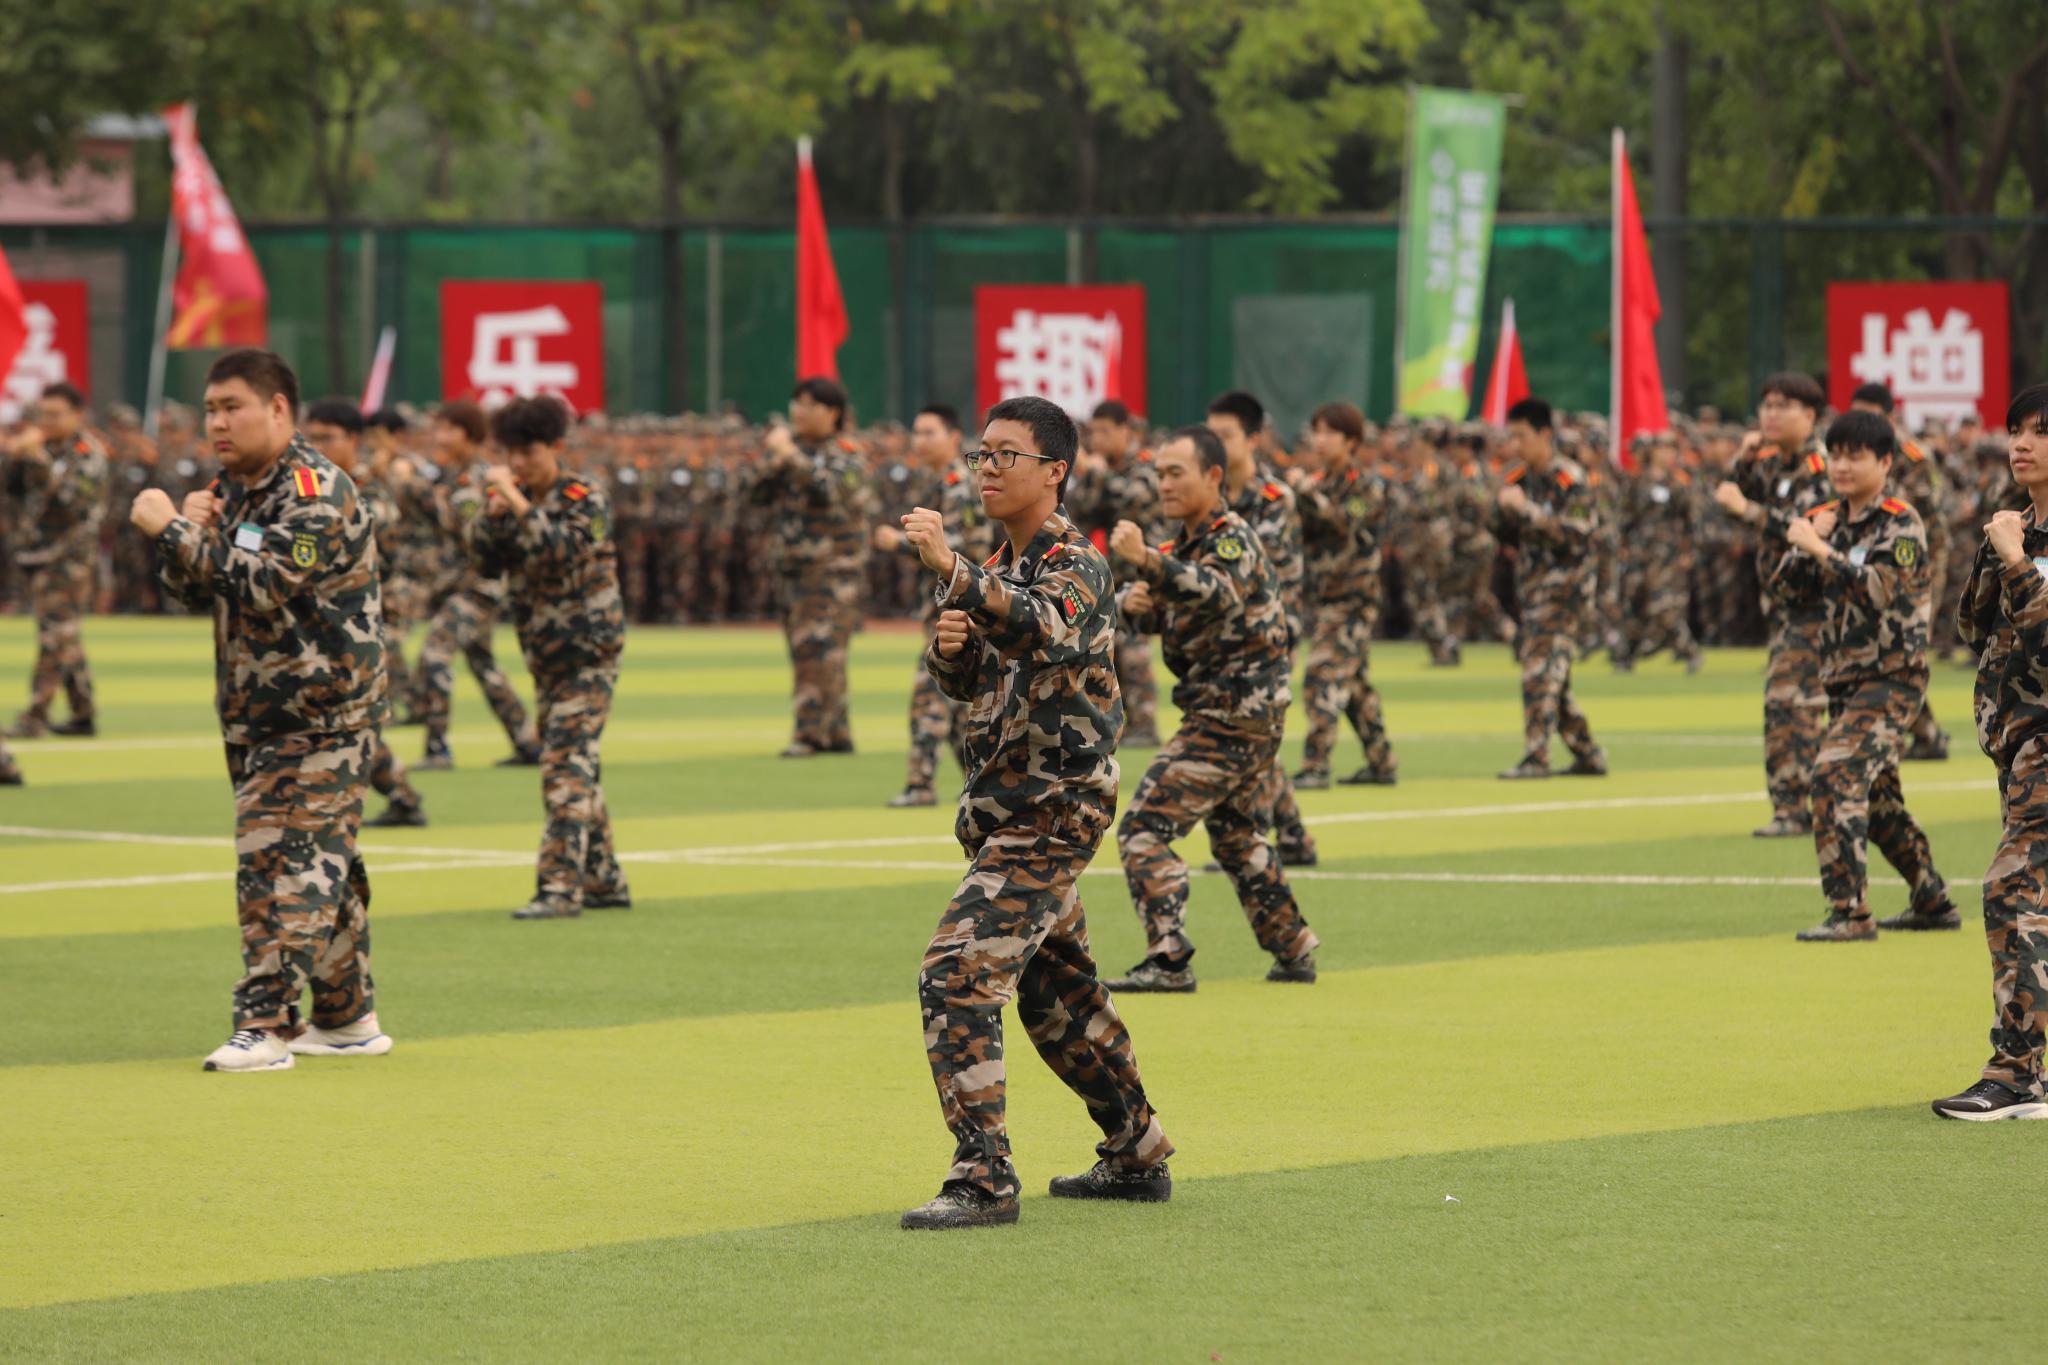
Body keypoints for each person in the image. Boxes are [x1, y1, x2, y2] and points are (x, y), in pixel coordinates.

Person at [899, 394, 1171, 1231]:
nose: (986, 468)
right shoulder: (1000, 567)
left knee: (956, 973)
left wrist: (954, 573)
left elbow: (1045, 629)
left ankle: (984, 1178)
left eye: (1004, 455)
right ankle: (1136, 1149)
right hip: (1006, 808)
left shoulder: (1077, 564)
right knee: (1059, 996)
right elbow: (982, 677)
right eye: (981, 454)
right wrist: (950, 655)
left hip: (1053, 810)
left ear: (1055, 471)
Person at [133, 348, 392, 1072]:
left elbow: (266, 582)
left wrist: (170, 529)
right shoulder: (235, 489)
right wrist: (189, 534)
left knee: (274, 863)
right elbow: (196, 590)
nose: (216, 423)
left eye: (232, 407)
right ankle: (345, 1017)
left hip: (321, 713)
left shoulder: (313, 488)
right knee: (320, 864)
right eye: (210, 409)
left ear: (278, 409)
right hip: (259, 712)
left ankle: (266, 1024)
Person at [1105, 424, 1320, 994]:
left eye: (1177, 473)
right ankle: (1293, 945)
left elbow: (1216, 592)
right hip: (1239, 715)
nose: (1164, 484)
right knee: (1236, 836)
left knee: (1144, 828)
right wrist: (1136, 603)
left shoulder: (1231, 538)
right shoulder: (1183, 548)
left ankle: (1169, 957)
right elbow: (1176, 611)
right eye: (1159, 474)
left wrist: (1146, 561)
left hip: (1230, 717)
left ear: (1213, 477)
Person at [1768, 410, 1953, 942]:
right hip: (1843, 681)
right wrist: (1804, 547)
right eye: (1836, 455)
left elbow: (1878, 589)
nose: (1842, 466)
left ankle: (1850, 911)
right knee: (1877, 803)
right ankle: (1931, 897)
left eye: (1856, 456)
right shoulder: (1827, 519)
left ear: (1886, 462)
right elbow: (1786, 594)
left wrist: (1819, 549)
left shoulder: (1900, 522)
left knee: (1834, 776)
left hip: (1892, 678)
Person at [471, 397, 631, 921]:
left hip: (590, 652)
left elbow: (564, 549)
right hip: (544, 654)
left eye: (529, 452)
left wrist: (518, 504)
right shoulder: (512, 499)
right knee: (576, 765)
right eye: (511, 454)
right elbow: (483, 562)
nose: (518, 464)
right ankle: (604, 879)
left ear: (556, 447)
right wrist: (492, 520)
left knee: (563, 764)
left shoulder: (586, 497)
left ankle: (560, 887)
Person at [1935, 383, 2048, 1119]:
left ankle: (2016, 1073)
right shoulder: (2013, 529)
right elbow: (1973, 626)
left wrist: (2014, 559)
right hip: (2016, 743)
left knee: (2011, 889)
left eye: (2040, 431)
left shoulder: (2018, 544)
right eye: (2015, 430)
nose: (2022, 443)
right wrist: (2001, 549)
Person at [1714, 373, 1834, 837]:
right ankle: (1805, 806)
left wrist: (1750, 511)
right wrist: (1742, 460)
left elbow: (1805, 526)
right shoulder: (1770, 462)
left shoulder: (1821, 466)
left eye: (1783, 406)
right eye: (1766, 405)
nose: (1771, 414)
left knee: (1788, 703)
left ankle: (1796, 809)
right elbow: (1728, 496)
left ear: (1809, 415)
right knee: (1797, 705)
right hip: (1783, 607)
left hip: (1815, 605)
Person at [302, 399, 430, 830]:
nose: (318, 447)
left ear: (354, 440)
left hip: (365, 617)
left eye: (328, 438)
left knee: (347, 716)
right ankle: (401, 795)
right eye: (312, 438)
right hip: (323, 619)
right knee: (346, 718)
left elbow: (375, 546)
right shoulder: (309, 485)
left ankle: (341, 809)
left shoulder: (368, 490)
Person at [1207, 390, 1316, 866]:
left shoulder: (1275, 498)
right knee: (1253, 738)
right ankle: (1293, 837)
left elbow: (1245, 561)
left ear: (1254, 439)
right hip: (1224, 635)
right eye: (1210, 435)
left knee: (1245, 736)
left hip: (1270, 633)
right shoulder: (1209, 497)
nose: (1216, 445)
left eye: (1226, 435)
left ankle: (1248, 842)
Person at [747, 376, 873, 757]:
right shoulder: (791, 450)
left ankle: (810, 733)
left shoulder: (846, 453)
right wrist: (776, 457)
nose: (798, 412)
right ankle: (835, 730)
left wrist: (790, 456)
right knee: (810, 649)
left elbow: (831, 493)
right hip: (793, 568)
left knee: (820, 649)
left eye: (809, 405)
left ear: (832, 413)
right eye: (796, 404)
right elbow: (752, 493)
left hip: (833, 569)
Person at [876, 403, 993, 808]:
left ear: (953, 437)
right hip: (948, 605)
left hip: (961, 606)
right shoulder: (936, 481)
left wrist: (899, 542)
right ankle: (983, 786)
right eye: (917, 432)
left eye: (930, 432)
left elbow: (959, 548)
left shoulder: (959, 484)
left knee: (928, 695)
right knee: (958, 709)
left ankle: (920, 783)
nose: (920, 441)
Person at [414, 400, 540, 771]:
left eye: (447, 430)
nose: (439, 437)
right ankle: (527, 742)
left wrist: (427, 498)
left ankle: (438, 748)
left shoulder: (481, 478)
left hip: (479, 587)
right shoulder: (452, 476)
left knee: (434, 653)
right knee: (484, 665)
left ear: (467, 434)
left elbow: (470, 534)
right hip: (459, 586)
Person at [1495, 398, 1608, 779]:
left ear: (1545, 434)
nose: (1515, 445)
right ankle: (1588, 753)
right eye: (1511, 437)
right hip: (1532, 590)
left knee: (1539, 671)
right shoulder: (1518, 479)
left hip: (1565, 592)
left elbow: (1578, 534)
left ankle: (1537, 755)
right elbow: (1504, 535)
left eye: (1521, 437)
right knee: (1552, 677)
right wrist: (1500, 511)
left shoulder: (1571, 481)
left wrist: (1527, 511)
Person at [1291, 401, 1397, 789]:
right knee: (1352, 685)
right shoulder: (1317, 483)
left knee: (1322, 674)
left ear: (1351, 441)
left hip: (1353, 599)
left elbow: (1344, 521)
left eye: (1329, 433)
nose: (1319, 440)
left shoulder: (1366, 485)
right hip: (1324, 598)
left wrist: (1306, 494)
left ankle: (1316, 764)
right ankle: (1382, 761)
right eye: (1316, 432)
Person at [1849, 381, 1953, 762]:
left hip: (1922, 558)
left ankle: (1917, 732)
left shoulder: (1912, 454)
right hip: (1881, 559)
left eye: (1870, 416)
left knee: (1908, 646)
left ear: (1889, 418)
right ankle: (1924, 733)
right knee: (1889, 647)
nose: (1861, 423)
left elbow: (1922, 508)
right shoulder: (1856, 455)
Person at [6, 382, 107, 739]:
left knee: (54, 636)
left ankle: (35, 714)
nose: (47, 421)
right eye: (43, 414)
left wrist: (38, 461)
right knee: (64, 635)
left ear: (77, 415)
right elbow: (12, 490)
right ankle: (83, 711)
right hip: (37, 553)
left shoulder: (87, 453)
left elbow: (71, 503)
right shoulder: (44, 447)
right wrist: (15, 456)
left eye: (55, 414)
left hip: (70, 558)